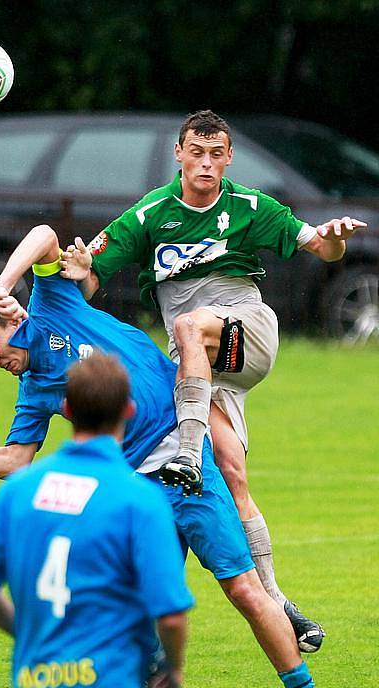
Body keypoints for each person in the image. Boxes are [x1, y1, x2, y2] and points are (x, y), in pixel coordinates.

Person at [0, 225, 341, 688]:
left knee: (243, 589)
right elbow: (15, 460)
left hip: (185, 456)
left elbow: (44, 234)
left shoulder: (51, 303)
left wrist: (5, 281)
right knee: (142, 611)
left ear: (12, 318)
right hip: (137, 492)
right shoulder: (34, 390)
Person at [59, 108, 367, 653]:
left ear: (228, 158)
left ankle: (186, 453)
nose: (205, 163)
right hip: (198, 369)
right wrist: (81, 267)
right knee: (232, 472)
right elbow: (88, 284)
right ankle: (279, 603)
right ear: (179, 154)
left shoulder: (249, 207)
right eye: (195, 152)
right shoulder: (150, 214)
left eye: (215, 154)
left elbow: (321, 247)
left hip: (242, 334)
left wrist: (335, 239)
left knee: (186, 325)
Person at [0, 351, 193, 688]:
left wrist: (26, 630)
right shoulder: (136, 497)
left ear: (65, 410)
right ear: (130, 410)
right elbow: (171, 616)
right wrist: (172, 669)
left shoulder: (20, 488)